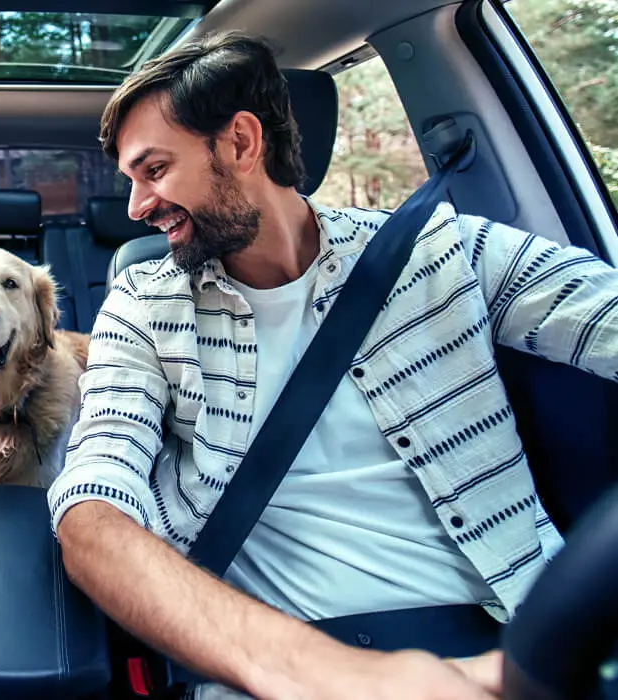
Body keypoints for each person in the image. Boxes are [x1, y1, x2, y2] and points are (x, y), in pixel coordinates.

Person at [49, 31, 618, 700]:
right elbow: (92, 511)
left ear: (239, 143)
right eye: (132, 179)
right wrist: (336, 678)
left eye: (153, 170)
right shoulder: (142, 307)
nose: (136, 207)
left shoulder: (443, 250)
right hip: (271, 665)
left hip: (514, 651)